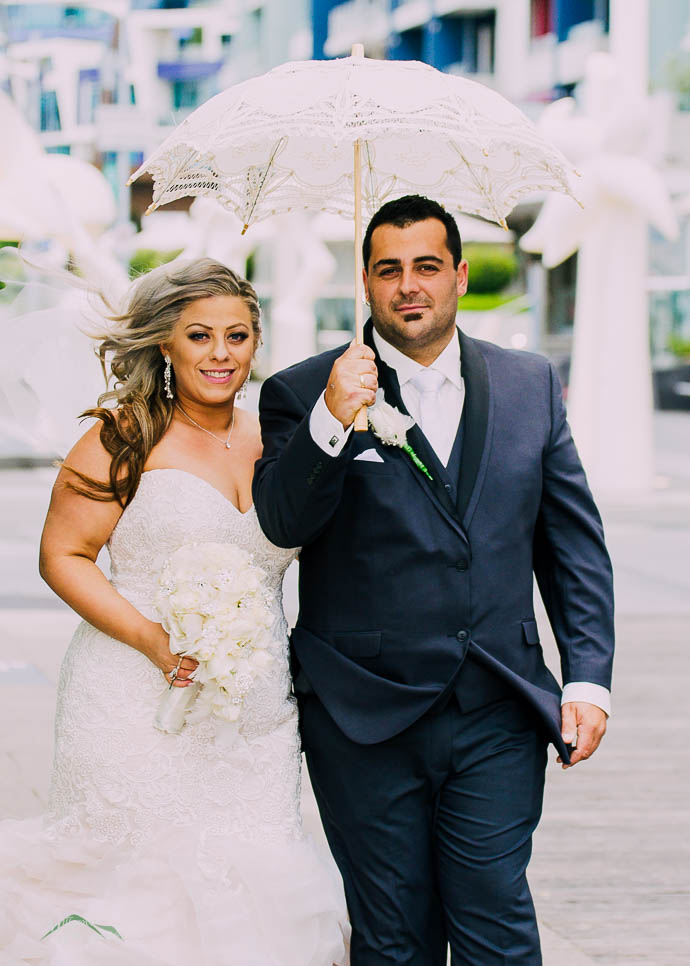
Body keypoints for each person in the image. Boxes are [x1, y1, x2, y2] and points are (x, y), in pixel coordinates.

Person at [253, 195, 614, 965]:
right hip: (362, 715)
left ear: (456, 274)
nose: (408, 285)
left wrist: (587, 680)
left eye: (426, 266)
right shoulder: (300, 390)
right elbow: (282, 522)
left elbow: (572, 543)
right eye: (389, 269)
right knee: (393, 938)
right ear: (366, 282)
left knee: (497, 924)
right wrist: (330, 424)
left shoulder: (529, 384)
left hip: (498, 704)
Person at [0, 258, 348, 965]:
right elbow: (62, 556)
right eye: (199, 336)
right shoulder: (121, 437)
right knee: (140, 887)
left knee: (258, 884)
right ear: (165, 344)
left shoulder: (276, 440)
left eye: (238, 336)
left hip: (254, 719)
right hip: (133, 698)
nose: (221, 354)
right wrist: (152, 638)